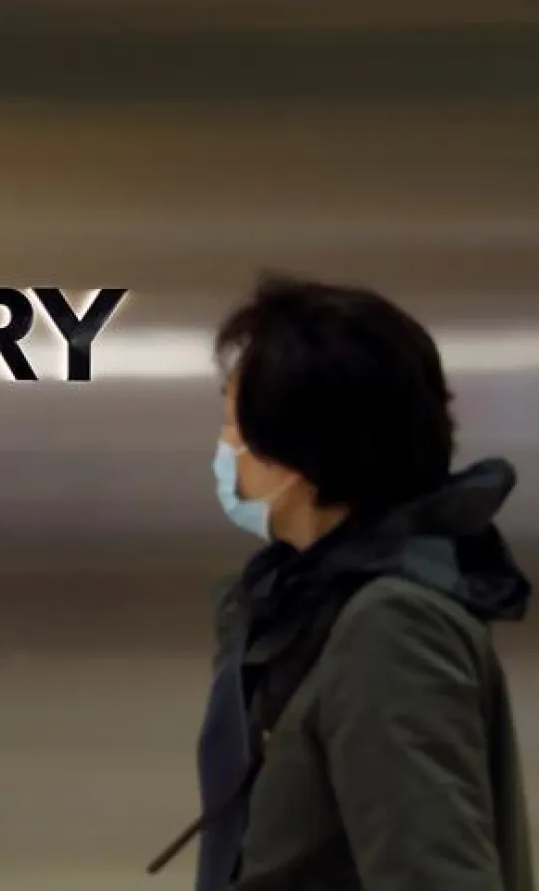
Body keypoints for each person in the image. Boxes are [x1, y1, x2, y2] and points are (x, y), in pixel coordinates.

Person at [148, 274, 533, 891]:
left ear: (297, 460)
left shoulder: (389, 629)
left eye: (234, 427)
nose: (225, 450)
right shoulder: (303, 608)